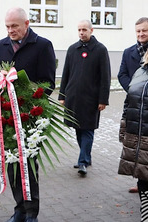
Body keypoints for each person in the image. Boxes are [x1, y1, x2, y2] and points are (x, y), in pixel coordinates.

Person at [0, 7, 55, 222]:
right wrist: (0, 77)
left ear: (26, 23)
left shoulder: (42, 45)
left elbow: (48, 84)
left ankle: (31, 212)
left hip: (29, 117)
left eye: (14, 26)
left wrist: (22, 88)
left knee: (28, 166)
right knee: (11, 163)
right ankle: (19, 209)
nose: (10, 30)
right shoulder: (2, 45)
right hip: (6, 116)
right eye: (7, 26)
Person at [58, 20, 111, 175]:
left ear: (91, 30)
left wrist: (103, 99)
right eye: (79, 29)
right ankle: (86, 156)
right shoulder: (72, 49)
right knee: (78, 129)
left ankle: (82, 162)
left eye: (84, 29)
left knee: (87, 129)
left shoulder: (100, 50)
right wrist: (62, 95)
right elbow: (66, 73)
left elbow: (105, 76)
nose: (81, 32)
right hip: (73, 97)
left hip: (91, 99)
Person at [118, 17, 148, 193]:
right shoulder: (128, 51)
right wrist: (133, 89)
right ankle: (140, 182)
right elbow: (121, 74)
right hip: (134, 103)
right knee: (135, 145)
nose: (141, 34)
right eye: (138, 31)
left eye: (144, 30)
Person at [118, 50, 148, 222]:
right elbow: (128, 102)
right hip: (138, 137)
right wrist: (124, 128)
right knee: (142, 178)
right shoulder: (140, 72)